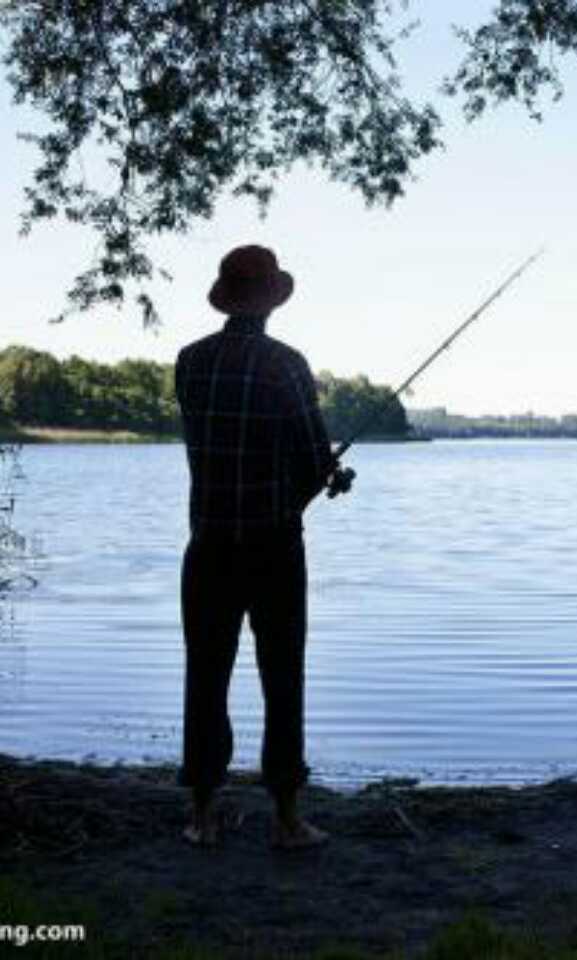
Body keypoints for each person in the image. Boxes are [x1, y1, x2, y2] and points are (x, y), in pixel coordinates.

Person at [174, 244, 353, 848]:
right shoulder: (286, 365)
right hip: (273, 549)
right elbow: (310, 455)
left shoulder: (189, 363)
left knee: (205, 677)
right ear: (271, 301)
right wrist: (332, 476)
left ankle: (202, 814)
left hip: (207, 549)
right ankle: (285, 819)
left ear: (228, 298)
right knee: (283, 678)